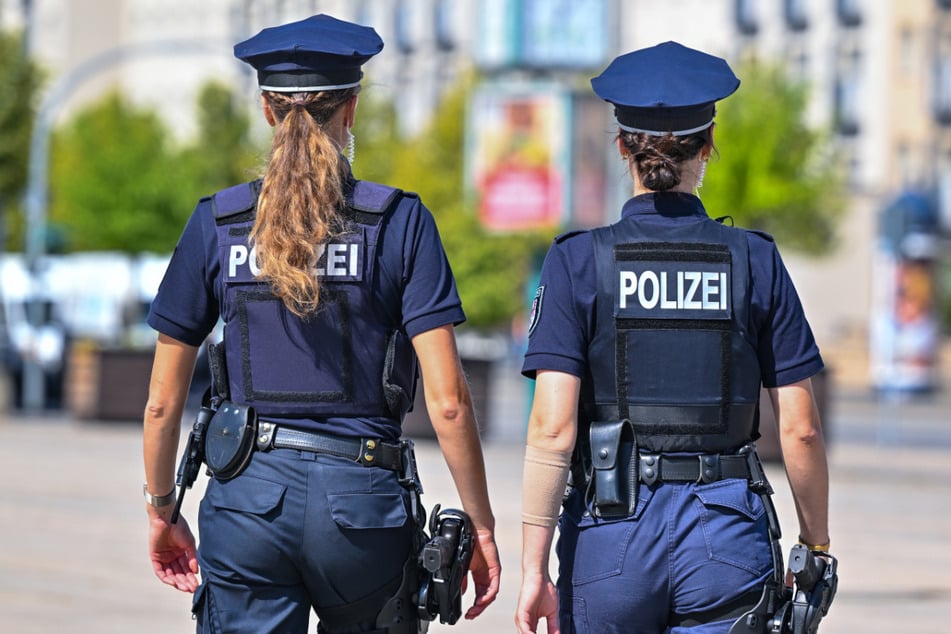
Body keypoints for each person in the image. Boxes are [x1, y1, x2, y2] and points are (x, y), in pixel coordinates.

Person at [142, 13, 500, 633]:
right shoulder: (401, 222)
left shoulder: (218, 224)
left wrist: (162, 508)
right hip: (363, 508)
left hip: (247, 500)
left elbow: (160, 403)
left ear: (265, 110)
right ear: (352, 109)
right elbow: (448, 404)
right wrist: (482, 524)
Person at [515, 41, 830, 633]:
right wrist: (814, 547)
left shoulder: (579, 261)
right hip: (725, 532)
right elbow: (801, 427)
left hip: (613, 531)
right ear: (707, 144)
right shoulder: (754, 261)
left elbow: (552, 428)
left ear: (622, 146)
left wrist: (534, 570)